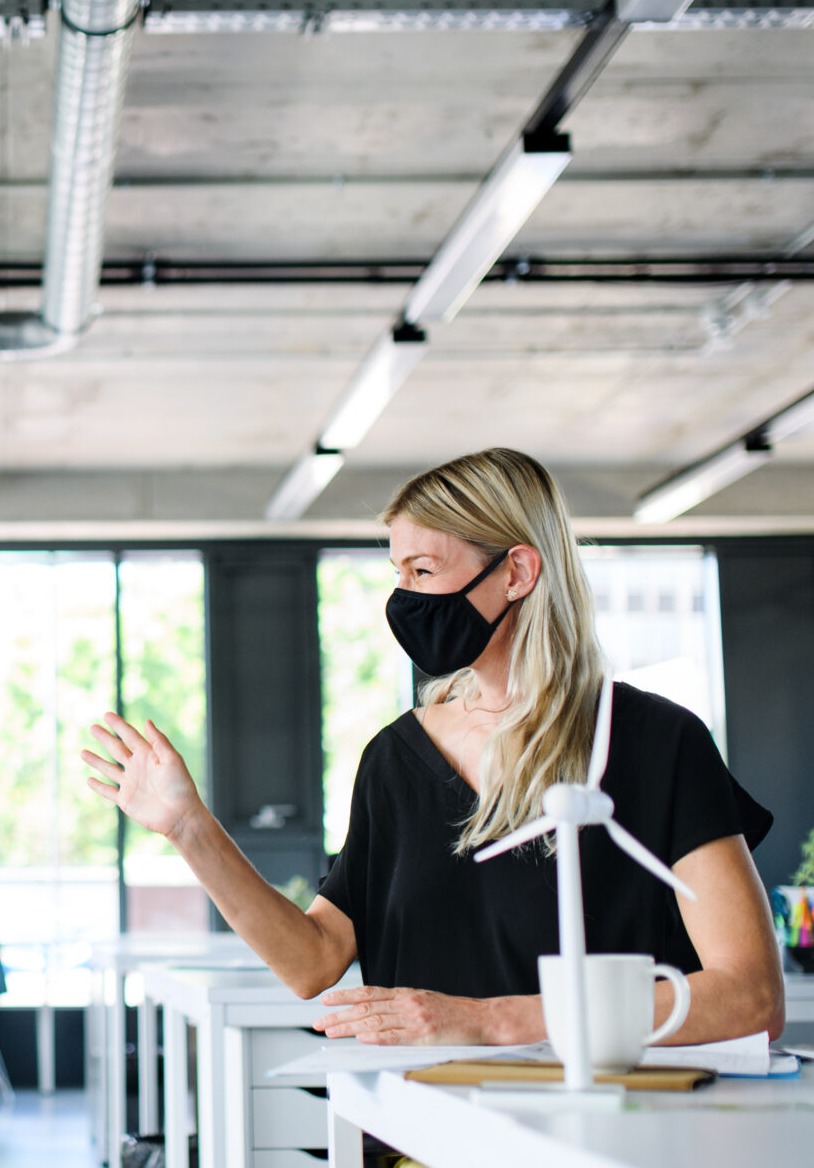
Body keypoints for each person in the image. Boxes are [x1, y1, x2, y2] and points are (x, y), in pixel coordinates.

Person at [84, 448, 783, 1046]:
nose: (403, 598)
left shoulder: (656, 743)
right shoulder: (395, 760)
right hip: (422, 1130)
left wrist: (492, 1021)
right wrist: (190, 828)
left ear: (516, 572)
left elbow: (752, 996)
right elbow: (312, 961)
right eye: (398, 573)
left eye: (424, 571)